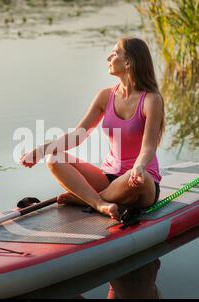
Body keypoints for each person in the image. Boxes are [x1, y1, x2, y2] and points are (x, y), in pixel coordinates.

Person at [19, 37, 164, 219]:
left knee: (131, 178)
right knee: (53, 159)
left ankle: (84, 198)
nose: (108, 58)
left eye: (114, 54)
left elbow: (149, 147)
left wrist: (139, 167)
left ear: (128, 62)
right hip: (108, 177)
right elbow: (77, 136)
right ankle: (99, 203)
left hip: (140, 178)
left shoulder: (151, 100)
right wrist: (40, 150)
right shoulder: (105, 96)